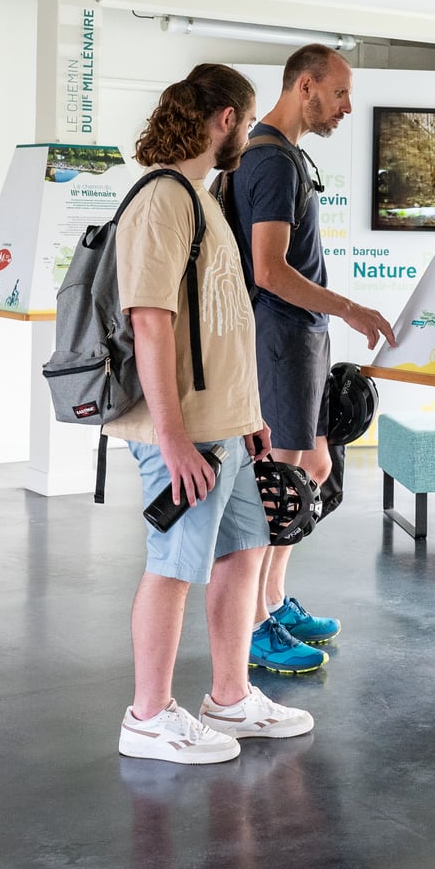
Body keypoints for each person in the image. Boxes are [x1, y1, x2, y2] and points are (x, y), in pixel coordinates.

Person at [114, 63, 315, 765]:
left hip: (225, 426)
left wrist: (248, 412)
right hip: (186, 432)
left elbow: (222, 319)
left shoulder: (199, 195)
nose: (249, 134)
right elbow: (149, 320)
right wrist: (172, 439)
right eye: (248, 120)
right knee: (174, 564)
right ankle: (147, 717)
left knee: (242, 551)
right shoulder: (162, 199)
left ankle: (231, 697)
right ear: (226, 118)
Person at [230, 45, 396, 674]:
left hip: (300, 339)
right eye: (340, 93)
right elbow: (269, 271)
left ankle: (272, 601)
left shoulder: (285, 155)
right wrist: (350, 308)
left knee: (311, 471)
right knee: (277, 488)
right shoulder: (271, 161)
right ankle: (254, 625)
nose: (347, 107)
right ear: (306, 86)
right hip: (278, 338)